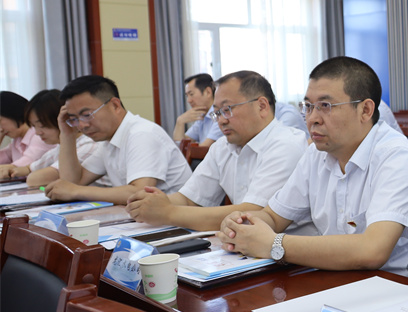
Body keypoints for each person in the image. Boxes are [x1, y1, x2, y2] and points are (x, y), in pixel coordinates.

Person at [218, 57, 408, 278]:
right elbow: (273, 217)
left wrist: (274, 244)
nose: (312, 119)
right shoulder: (315, 154)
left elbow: (373, 250)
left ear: (365, 110)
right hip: (337, 281)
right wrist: (240, 224)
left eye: (325, 106)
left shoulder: (398, 156)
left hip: (399, 287)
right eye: (308, 107)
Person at [127, 71, 310, 232]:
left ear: (261, 106)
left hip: (290, 250)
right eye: (217, 113)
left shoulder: (286, 144)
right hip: (243, 244)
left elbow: (253, 213)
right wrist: (153, 202)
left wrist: (168, 212)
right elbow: (190, 199)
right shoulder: (222, 146)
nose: (221, 121)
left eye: (227, 110)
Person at [43, 75, 191, 205]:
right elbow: (73, 182)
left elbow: (140, 192)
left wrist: (76, 191)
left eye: (87, 115)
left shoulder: (142, 134)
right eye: (74, 119)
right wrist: (67, 135)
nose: (82, 125)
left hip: (176, 221)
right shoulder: (108, 141)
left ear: (115, 105)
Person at [0, 90, 99, 186]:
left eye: (42, 125)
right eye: (33, 126)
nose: (38, 133)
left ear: (64, 119)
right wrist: (17, 170)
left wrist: (23, 171)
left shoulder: (88, 145)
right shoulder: (59, 147)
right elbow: (30, 167)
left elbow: (36, 178)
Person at [0, 90, 55, 171]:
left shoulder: (39, 134)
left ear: (11, 112)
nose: (0, 129)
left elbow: (25, 164)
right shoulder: (17, 140)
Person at [173, 73, 223, 147]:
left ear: (208, 92)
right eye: (187, 96)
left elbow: (203, 149)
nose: (189, 100)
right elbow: (180, 145)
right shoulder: (202, 116)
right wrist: (180, 121)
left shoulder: (220, 115)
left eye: (191, 94)